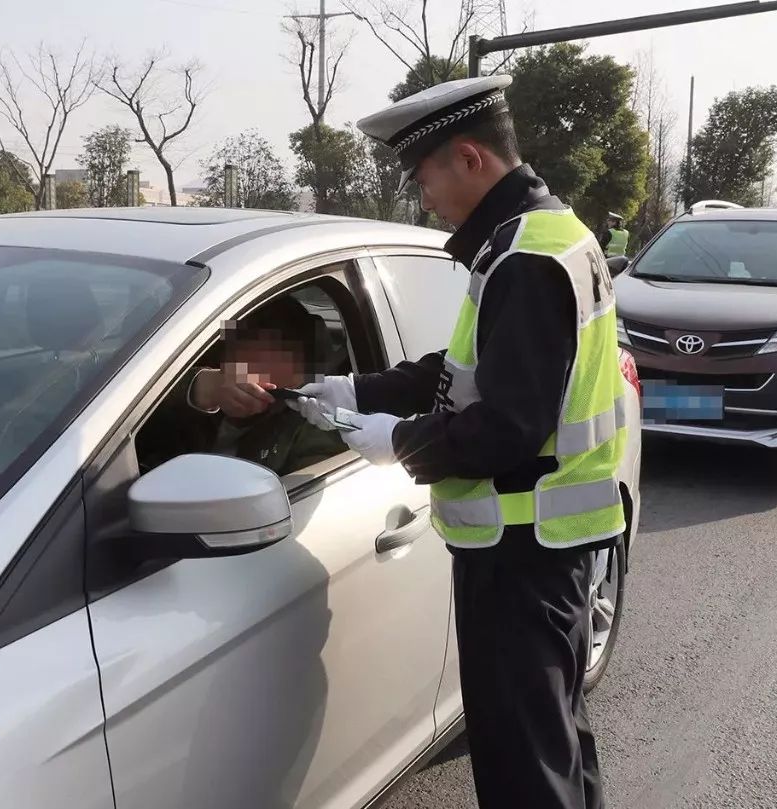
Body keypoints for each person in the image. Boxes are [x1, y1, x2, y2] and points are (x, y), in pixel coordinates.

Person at [289, 75, 625, 809]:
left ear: (469, 159)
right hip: (543, 545)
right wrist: (360, 392)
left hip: (522, 553)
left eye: (424, 176)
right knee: (556, 740)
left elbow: (505, 424)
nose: (423, 198)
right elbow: (465, 372)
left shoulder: (527, 256)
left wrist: (395, 440)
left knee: (523, 771)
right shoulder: (539, 235)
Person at [136, 294, 346, 476]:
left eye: (278, 353)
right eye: (242, 370)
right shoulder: (191, 400)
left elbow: (305, 493)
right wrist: (199, 386)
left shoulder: (313, 425)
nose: (250, 385)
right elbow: (123, 398)